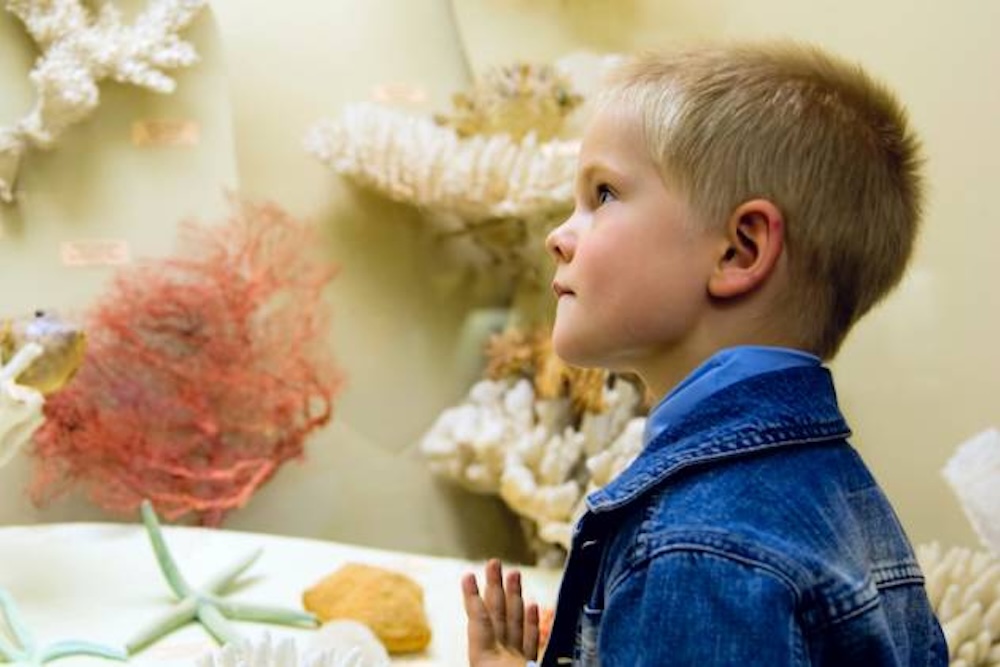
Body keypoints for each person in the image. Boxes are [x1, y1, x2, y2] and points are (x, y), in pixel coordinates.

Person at [460, 41, 948, 666]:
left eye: (603, 194)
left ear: (739, 251)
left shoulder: (694, 548)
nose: (559, 235)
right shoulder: (847, 496)